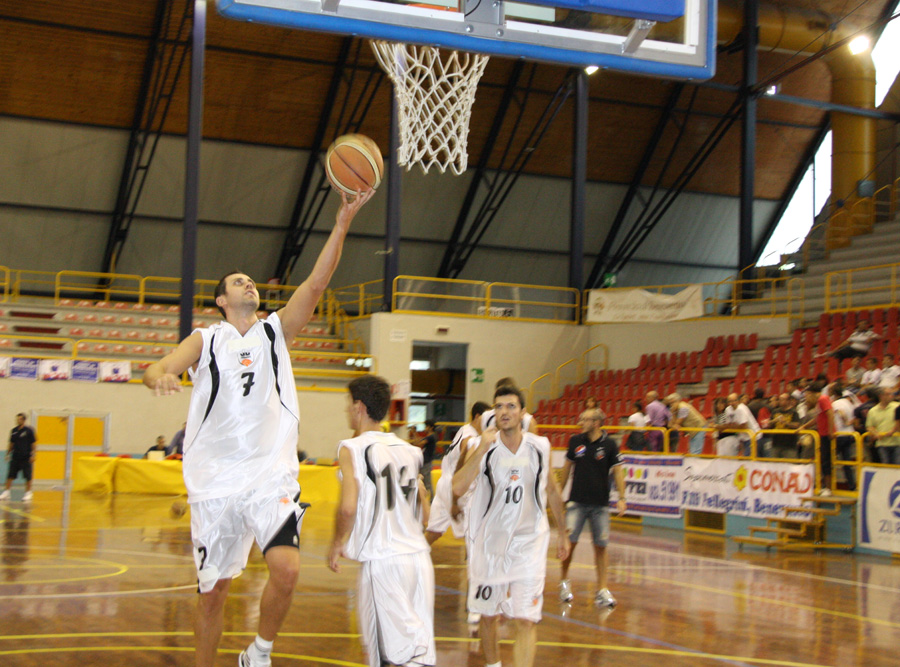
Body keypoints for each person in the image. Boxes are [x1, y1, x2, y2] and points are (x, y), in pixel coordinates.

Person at [142, 189, 372, 667]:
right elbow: (160, 365)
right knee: (214, 593)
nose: (249, 284)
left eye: (251, 280)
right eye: (238, 282)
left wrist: (343, 222)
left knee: (286, 570)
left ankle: (259, 652)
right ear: (222, 300)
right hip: (216, 482)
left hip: (269, 478)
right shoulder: (207, 339)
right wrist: (160, 376)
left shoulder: (275, 333)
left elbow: (314, 284)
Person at [452, 385, 568, 667]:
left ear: (523, 413)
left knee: (526, 619)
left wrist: (563, 533)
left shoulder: (540, 447)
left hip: (529, 543)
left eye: (511, 406)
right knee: (489, 616)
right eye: (499, 407)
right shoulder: (483, 447)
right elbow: (457, 487)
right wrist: (480, 449)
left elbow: (552, 491)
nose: (504, 412)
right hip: (490, 544)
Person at [328, 375, 435, 667]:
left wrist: (337, 542)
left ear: (359, 406)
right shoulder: (412, 452)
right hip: (419, 560)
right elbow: (426, 514)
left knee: (388, 656)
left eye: (349, 404)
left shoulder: (351, 448)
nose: (347, 410)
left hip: (384, 560)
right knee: (417, 653)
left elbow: (347, 508)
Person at [557, 408, 625, 608]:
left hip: (600, 504)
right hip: (577, 501)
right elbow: (566, 469)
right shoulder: (575, 441)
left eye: (585, 419)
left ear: (596, 423)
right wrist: (558, 494)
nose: (581, 422)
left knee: (601, 546)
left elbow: (619, 471)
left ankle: (602, 589)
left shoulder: (610, 445)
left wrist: (622, 497)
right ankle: (564, 582)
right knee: (569, 543)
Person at [425, 401, 489, 546]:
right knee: (474, 532)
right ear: (477, 417)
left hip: (444, 483)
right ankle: (474, 567)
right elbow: (464, 463)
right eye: (486, 419)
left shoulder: (464, 429)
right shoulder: (471, 438)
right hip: (455, 487)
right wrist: (455, 501)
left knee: (434, 531)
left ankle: (415, 558)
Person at [799, 382, 835, 495]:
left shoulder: (823, 399)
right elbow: (817, 419)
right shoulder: (819, 402)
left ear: (811, 393)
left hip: (826, 434)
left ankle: (828, 488)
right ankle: (825, 486)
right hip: (822, 433)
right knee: (823, 460)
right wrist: (804, 426)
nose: (806, 398)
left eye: (807, 395)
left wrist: (830, 430)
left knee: (826, 461)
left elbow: (830, 414)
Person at [1, 413, 37, 503]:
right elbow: (11, 444)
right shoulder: (14, 431)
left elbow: (33, 444)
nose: (18, 420)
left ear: (24, 420)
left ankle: (28, 493)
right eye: (17, 419)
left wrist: (33, 455)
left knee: (27, 476)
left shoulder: (29, 431)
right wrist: (8, 454)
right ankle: (7, 492)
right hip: (15, 457)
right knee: (10, 475)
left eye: (20, 419)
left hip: (26, 457)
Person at [829, 382, 858, 491]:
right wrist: (849, 423)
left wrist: (845, 421)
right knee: (847, 462)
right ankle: (852, 485)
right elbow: (855, 416)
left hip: (839, 435)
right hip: (850, 434)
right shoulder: (848, 402)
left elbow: (840, 413)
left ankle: (827, 485)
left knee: (830, 460)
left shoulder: (835, 404)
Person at [865, 388, 900, 465]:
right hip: (882, 443)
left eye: (892, 394)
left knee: (897, 466)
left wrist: (893, 430)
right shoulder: (873, 411)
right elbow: (869, 426)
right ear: (881, 396)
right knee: (885, 466)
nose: (891, 396)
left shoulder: (897, 407)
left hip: (897, 442)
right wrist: (875, 433)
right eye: (888, 394)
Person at [768, 393, 800, 459]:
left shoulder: (794, 412)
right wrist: (774, 420)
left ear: (788, 401)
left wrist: (785, 422)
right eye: (779, 400)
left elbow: (797, 425)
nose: (780, 401)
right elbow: (768, 424)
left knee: (790, 465)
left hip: (790, 445)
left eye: (782, 400)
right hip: (776, 443)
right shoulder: (775, 411)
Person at [414, 419, 438, 501]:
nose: (425, 428)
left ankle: (431, 500)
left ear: (430, 427)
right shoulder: (429, 437)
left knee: (427, 482)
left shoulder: (431, 437)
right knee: (426, 482)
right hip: (425, 461)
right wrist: (415, 433)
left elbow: (419, 443)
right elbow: (418, 442)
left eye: (426, 426)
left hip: (426, 462)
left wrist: (414, 432)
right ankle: (430, 499)